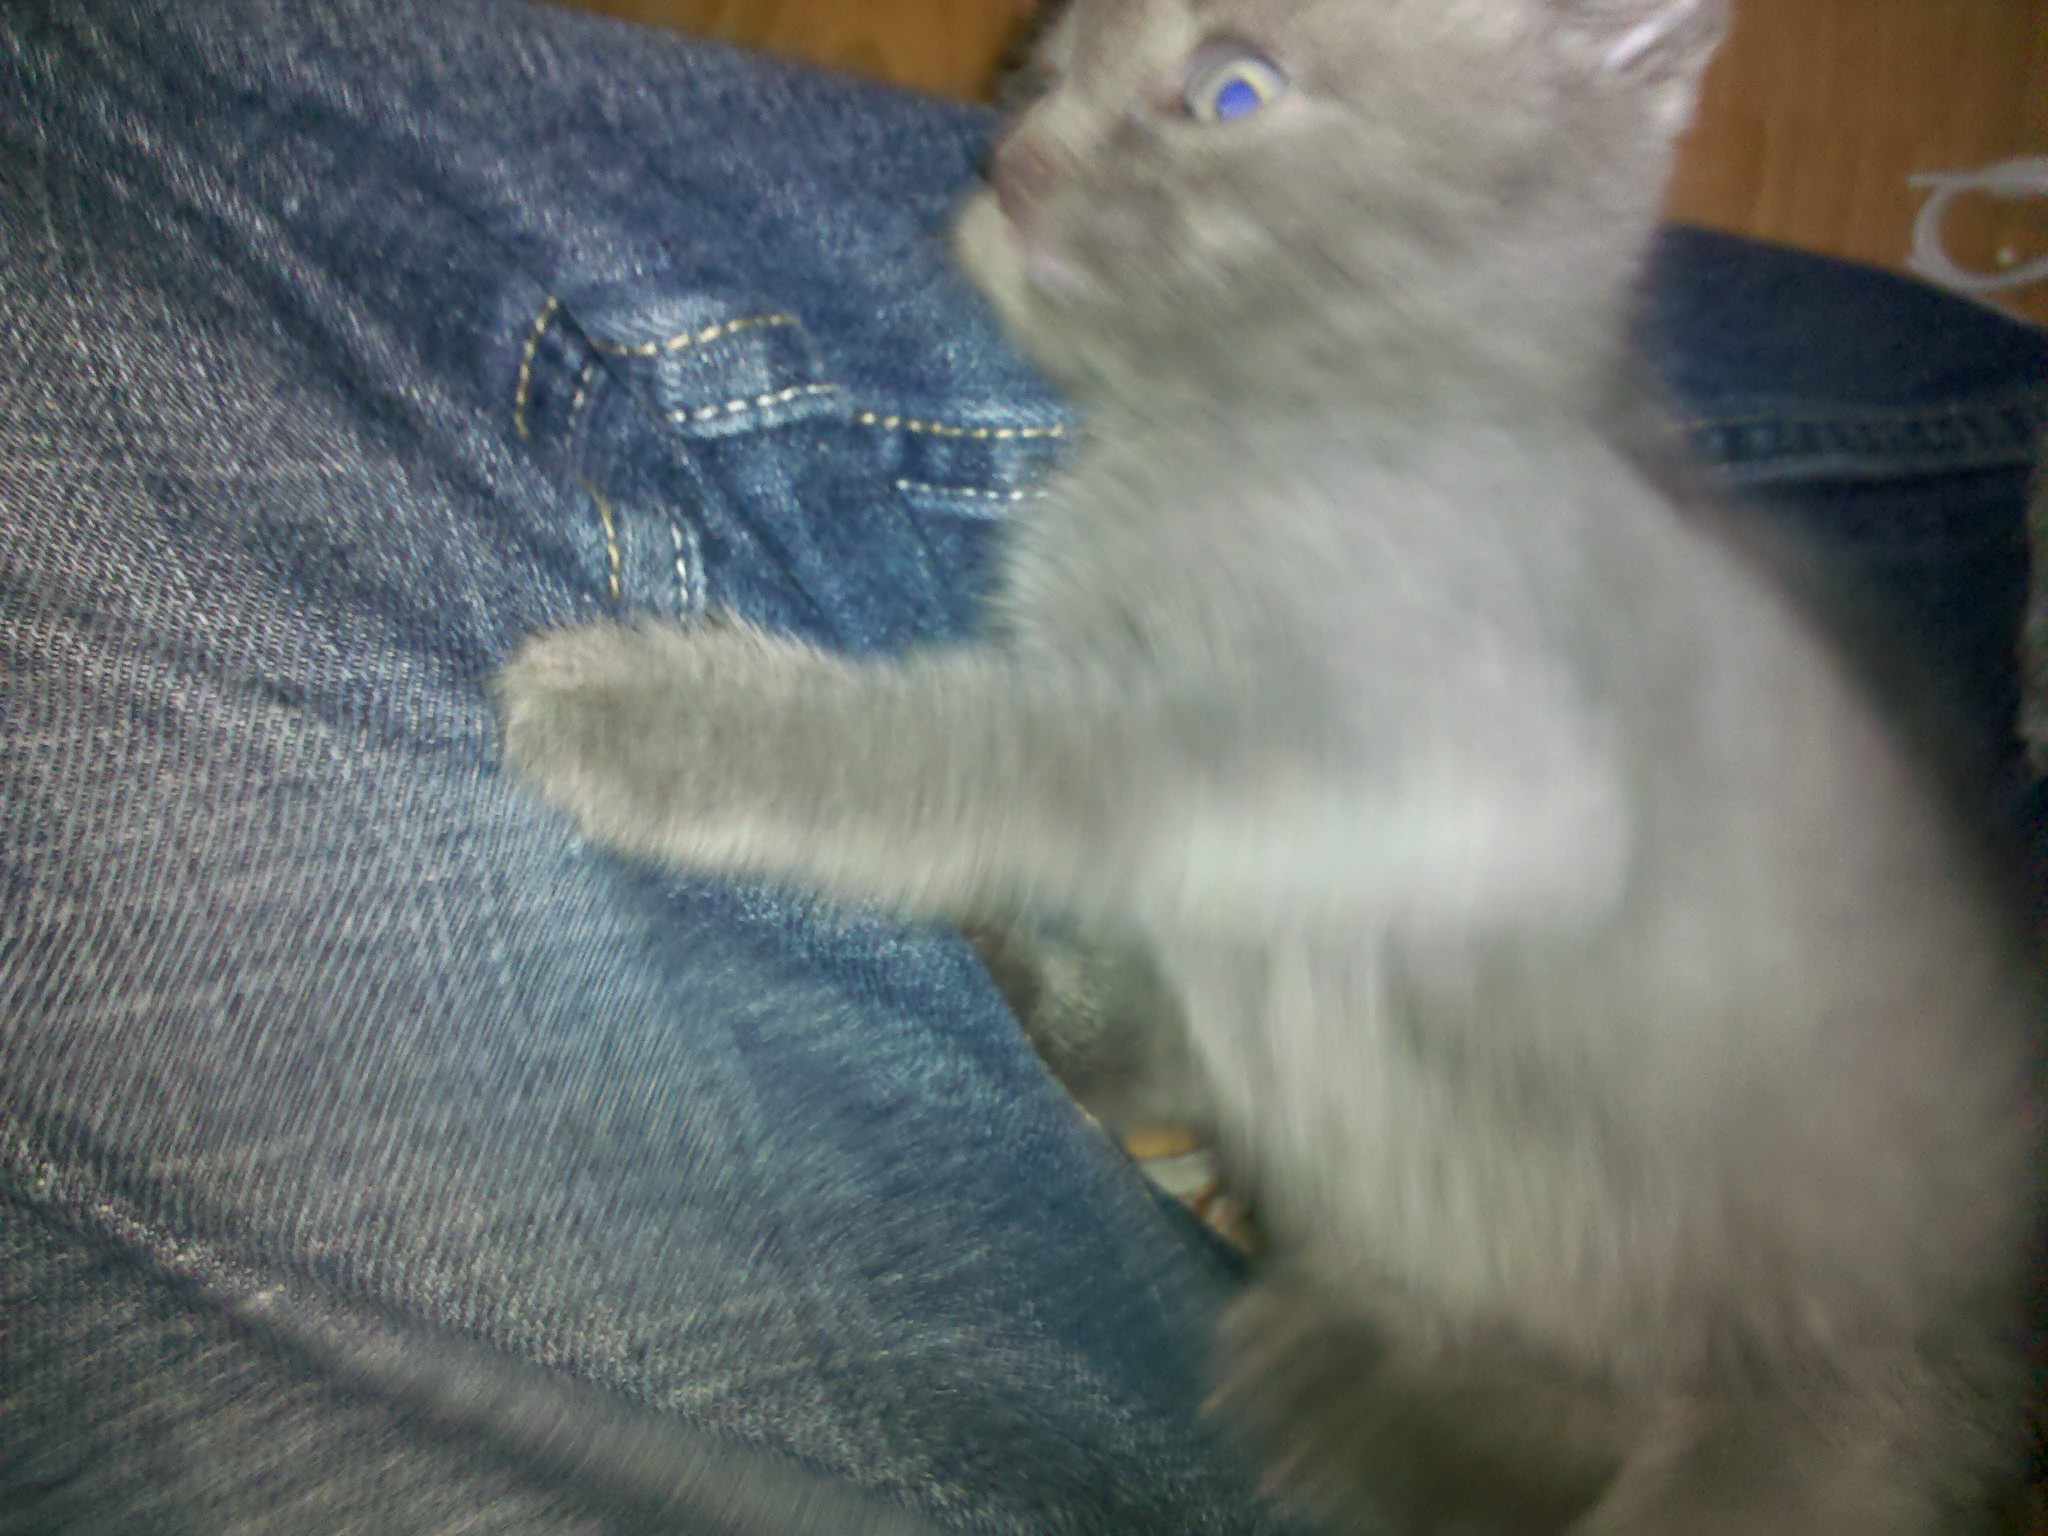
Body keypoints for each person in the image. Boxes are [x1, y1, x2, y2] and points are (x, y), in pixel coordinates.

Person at [2, 0, 2043, 1530]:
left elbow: (1430, 785)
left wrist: (826, 765)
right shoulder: (1189, 474)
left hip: (1826, 1333)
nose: (1037, 142)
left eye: (1225, 83)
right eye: (1056, 68)